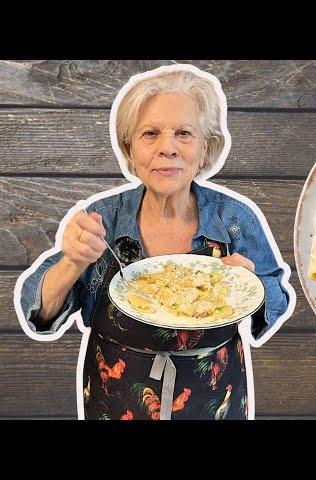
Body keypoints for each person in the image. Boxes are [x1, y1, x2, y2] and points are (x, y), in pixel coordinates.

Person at [16, 64, 294, 420]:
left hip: (215, 400)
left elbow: (277, 295)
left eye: (184, 133)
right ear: (130, 150)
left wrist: (252, 284)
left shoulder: (235, 220)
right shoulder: (103, 218)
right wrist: (72, 262)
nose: (168, 148)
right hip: (114, 399)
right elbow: (40, 312)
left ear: (205, 147)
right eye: (150, 134)